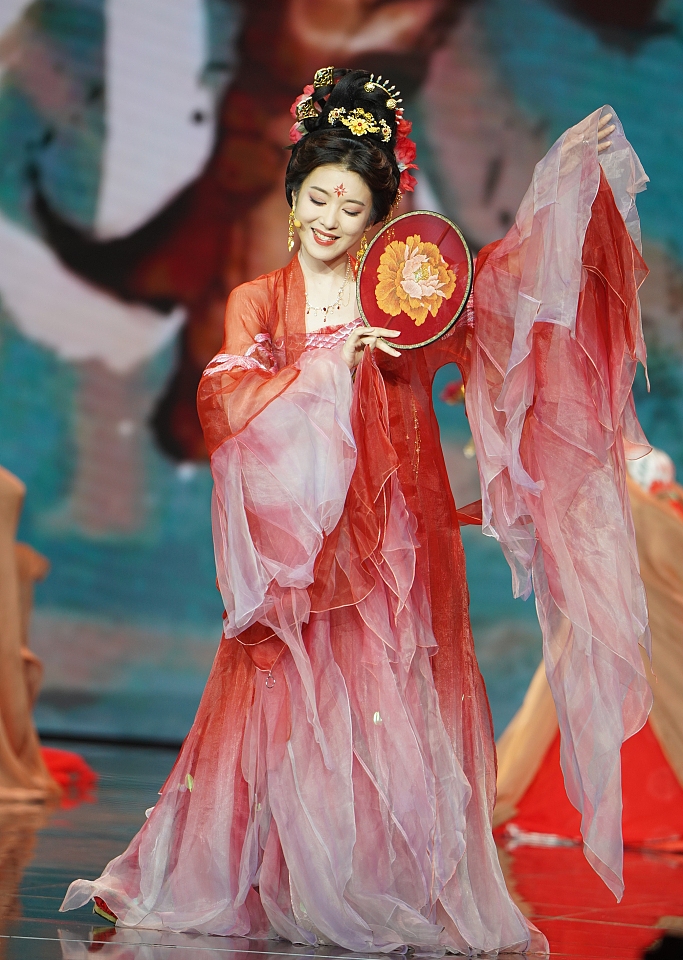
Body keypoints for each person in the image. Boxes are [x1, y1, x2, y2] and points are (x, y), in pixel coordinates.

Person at [61, 68, 651, 954]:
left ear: (379, 212)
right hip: (303, 548)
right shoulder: (259, 301)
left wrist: (565, 202)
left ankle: (382, 882)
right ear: (293, 197)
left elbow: (497, 307)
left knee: (390, 700)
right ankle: (241, 878)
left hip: (397, 542)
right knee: (283, 703)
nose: (332, 219)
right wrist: (332, 369)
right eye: (318, 198)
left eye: (352, 203)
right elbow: (226, 404)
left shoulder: (406, 296)